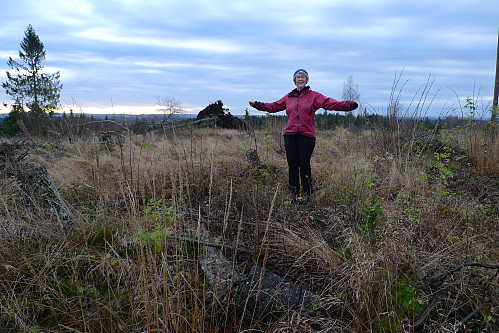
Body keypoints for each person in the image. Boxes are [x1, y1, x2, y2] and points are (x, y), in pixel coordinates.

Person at [249, 69, 358, 203]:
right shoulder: (289, 97)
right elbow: (273, 106)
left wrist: (348, 105)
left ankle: (306, 193)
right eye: (298, 77)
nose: (300, 79)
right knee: (292, 164)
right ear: (294, 80)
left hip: (306, 135)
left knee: (304, 164)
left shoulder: (314, 96)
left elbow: (330, 103)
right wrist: (257, 105)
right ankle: (293, 193)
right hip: (290, 135)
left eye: (303, 77)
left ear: (307, 80)